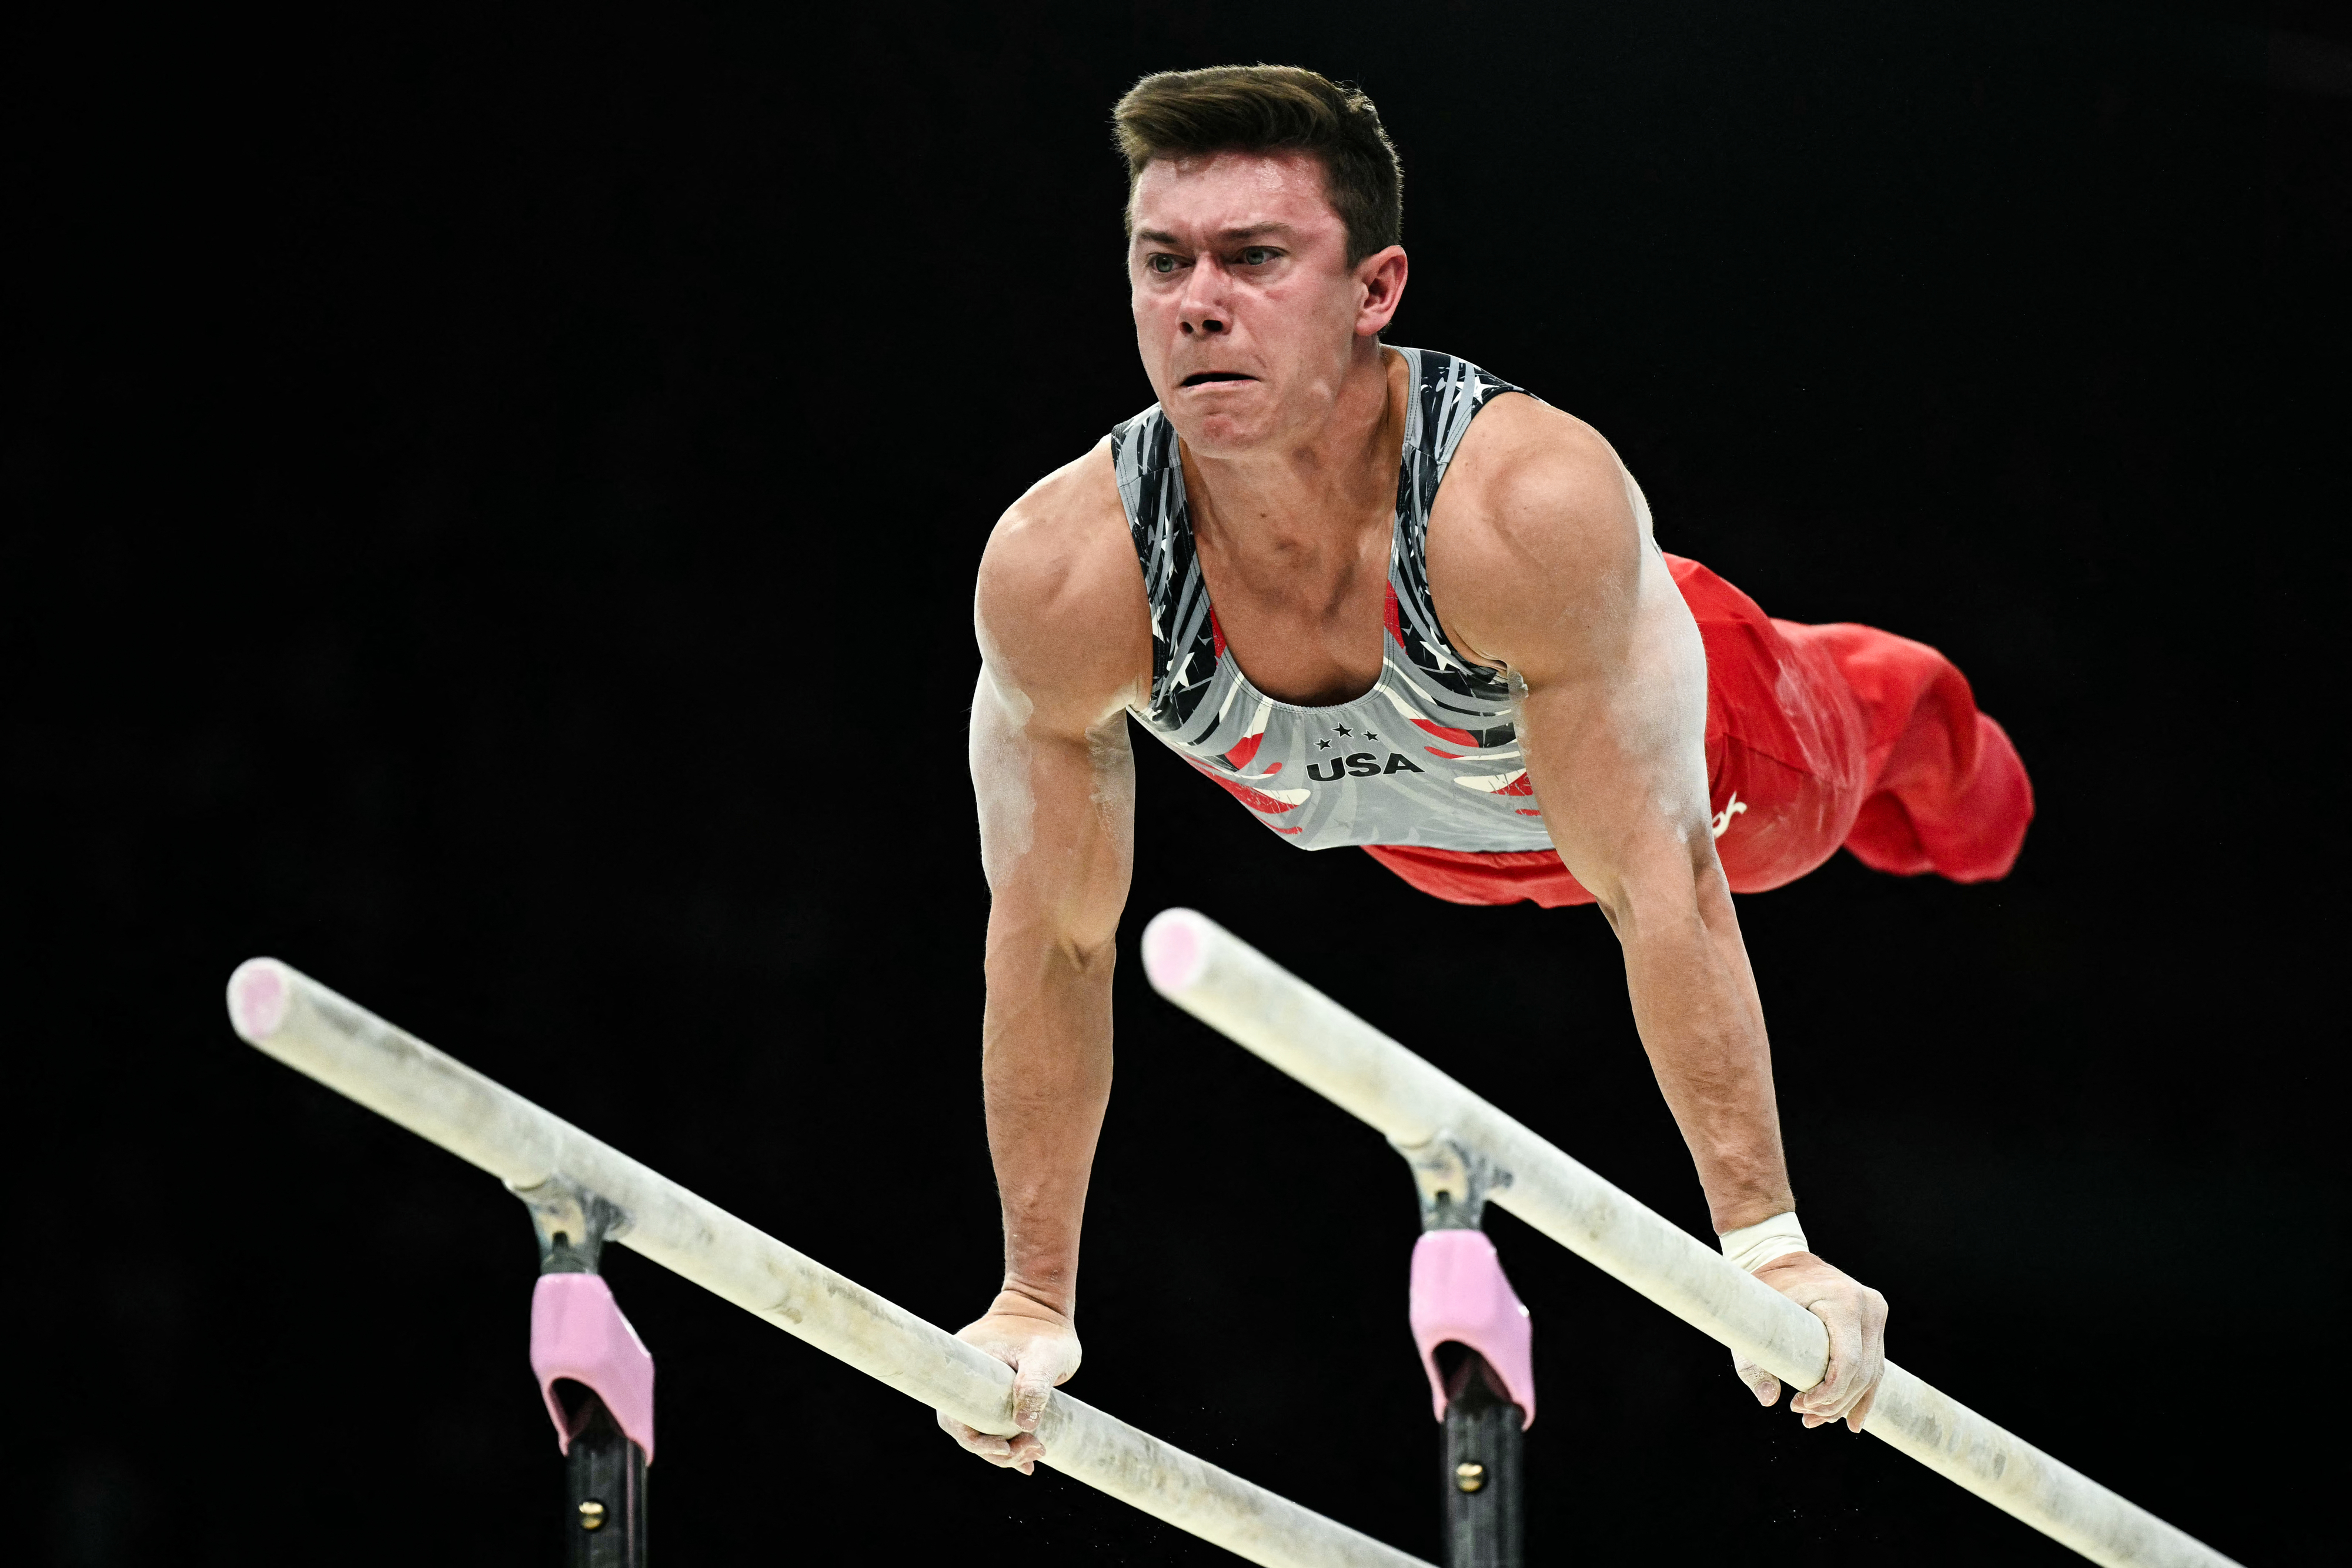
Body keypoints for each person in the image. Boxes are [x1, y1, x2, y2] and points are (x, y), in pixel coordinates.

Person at [942, 65, 2032, 1475]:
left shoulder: (1519, 507)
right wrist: (1032, 1298)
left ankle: (1976, 777)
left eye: (1257, 258)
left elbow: (1660, 884)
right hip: (1442, 838)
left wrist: (1767, 1247)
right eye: (1164, 262)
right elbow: (1050, 939)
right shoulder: (1063, 572)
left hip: (1712, 763)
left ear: (1374, 289)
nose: (1197, 300)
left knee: (1915, 757)